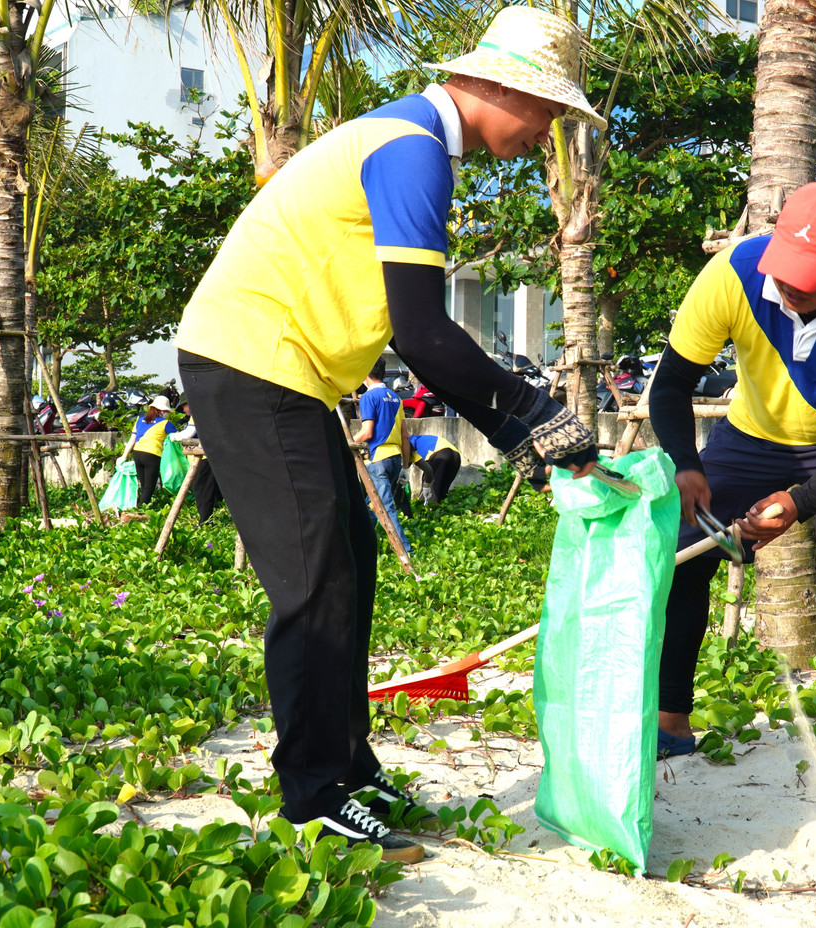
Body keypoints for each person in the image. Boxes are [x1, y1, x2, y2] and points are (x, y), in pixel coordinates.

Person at [173, 5, 600, 862]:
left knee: (351, 563)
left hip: (285, 370)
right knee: (314, 583)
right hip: (251, 361)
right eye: (547, 111)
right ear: (498, 88)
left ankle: (348, 769)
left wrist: (517, 426)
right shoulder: (412, 149)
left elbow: (415, 336)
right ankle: (312, 800)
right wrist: (531, 415)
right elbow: (422, 332)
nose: (545, 133)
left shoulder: (411, 140)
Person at [649, 182, 816, 827]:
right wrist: (687, 465)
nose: (788, 287)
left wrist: (800, 502)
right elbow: (670, 386)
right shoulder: (735, 273)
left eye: (808, 276)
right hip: (750, 438)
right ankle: (672, 722)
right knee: (685, 558)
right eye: (784, 269)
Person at [354, 360, 411, 554]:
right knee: (371, 505)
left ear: (365, 375)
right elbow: (404, 436)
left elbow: (367, 432)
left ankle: (406, 552)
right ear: (385, 374)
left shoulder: (368, 397)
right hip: (395, 458)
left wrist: (345, 443)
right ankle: (361, 546)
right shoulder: (396, 398)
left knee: (384, 508)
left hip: (378, 458)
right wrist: (405, 467)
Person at [128, 395, 177, 507]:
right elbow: (178, 438)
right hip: (151, 454)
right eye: (166, 411)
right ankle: (141, 509)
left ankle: (139, 507)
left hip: (137, 453)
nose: (166, 414)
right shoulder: (165, 423)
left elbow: (132, 439)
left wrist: (124, 456)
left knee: (144, 485)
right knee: (149, 486)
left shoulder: (139, 421)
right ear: (162, 411)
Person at [409, 433, 462, 505]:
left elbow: (407, 454)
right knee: (442, 490)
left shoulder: (406, 441)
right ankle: (441, 510)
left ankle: (425, 509)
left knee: (429, 488)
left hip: (440, 453)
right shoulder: (417, 439)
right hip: (456, 455)